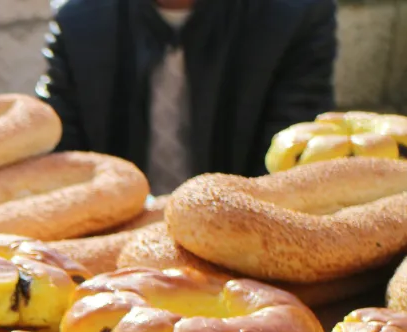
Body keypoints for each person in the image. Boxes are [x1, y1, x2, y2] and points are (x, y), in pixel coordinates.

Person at [36, 0, 338, 194]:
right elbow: (57, 161)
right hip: (111, 252)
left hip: (242, 251)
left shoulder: (298, 15)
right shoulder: (79, 20)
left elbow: (292, 168)